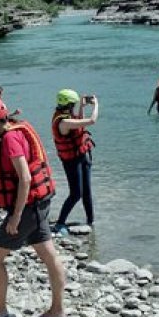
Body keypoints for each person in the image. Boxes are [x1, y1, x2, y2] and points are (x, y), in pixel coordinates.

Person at [0, 96, 65, 317]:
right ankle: (57, 310)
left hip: (28, 208)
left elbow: (25, 177)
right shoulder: (17, 129)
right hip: (41, 202)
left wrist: (15, 217)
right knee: (48, 254)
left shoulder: (10, 139)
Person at [51, 89, 97, 234]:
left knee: (87, 191)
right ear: (69, 104)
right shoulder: (63, 121)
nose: (75, 106)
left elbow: (79, 125)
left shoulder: (67, 116)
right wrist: (96, 105)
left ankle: (91, 222)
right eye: (74, 104)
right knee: (76, 193)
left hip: (82, 156)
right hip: (72, 161)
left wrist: (82, 108)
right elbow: (91, 121)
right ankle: (60, 223)